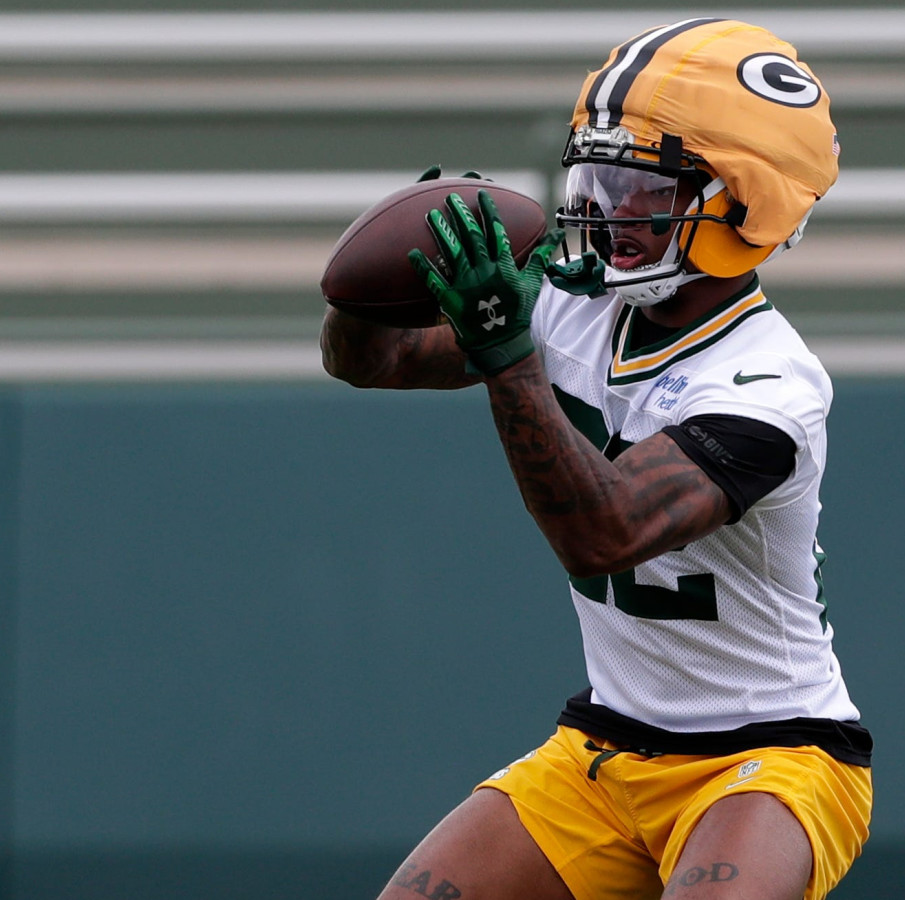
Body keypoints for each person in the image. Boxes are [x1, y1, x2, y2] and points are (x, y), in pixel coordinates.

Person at [321, 18, 871, 900]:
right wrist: (384, 278)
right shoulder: (574, 303)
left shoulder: (771, 382)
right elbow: (369, 361)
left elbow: (607, 532)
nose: (605, 207)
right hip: (606, 744)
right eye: (599, 177)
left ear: (744, 197)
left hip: (769, 755)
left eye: (638, 187)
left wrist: (507, 354)